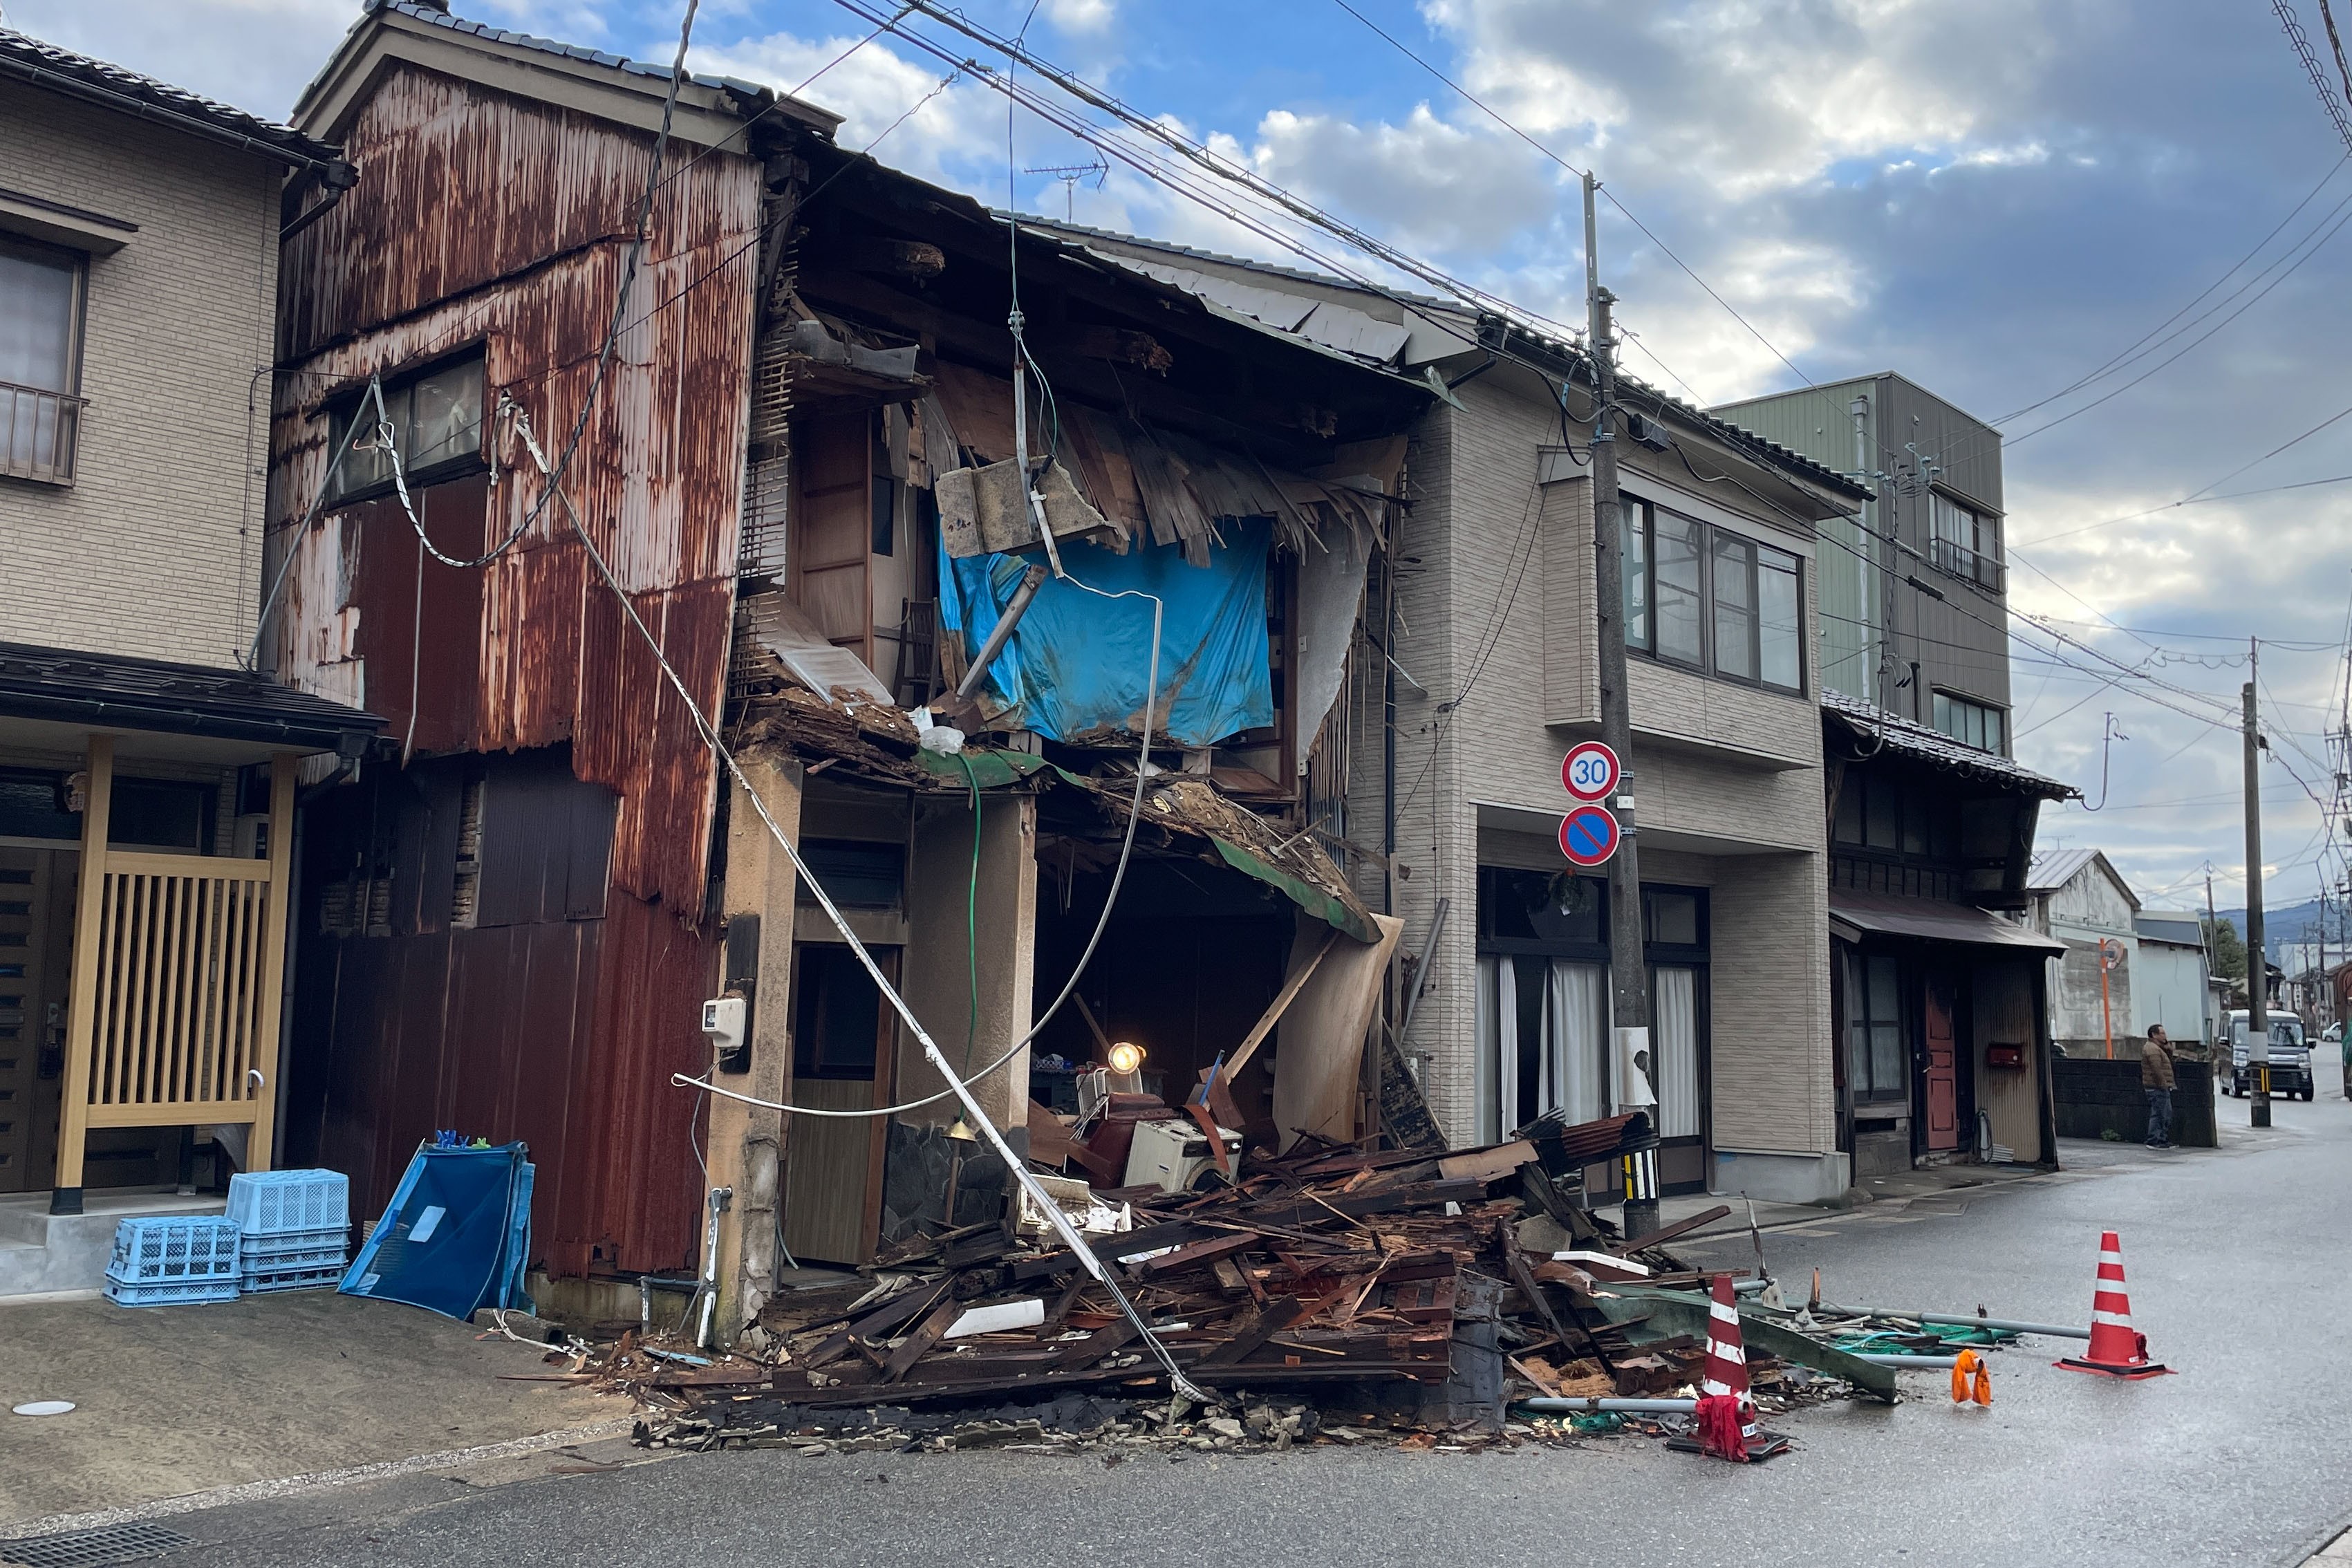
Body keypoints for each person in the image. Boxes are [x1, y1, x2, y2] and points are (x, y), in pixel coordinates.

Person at [2142, 1024, 2176, 1149]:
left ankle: (2161, 1138)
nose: (2165, 1036)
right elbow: (2156, 1069)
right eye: (2162, 1033)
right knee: (2159, 1114)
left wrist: (2168, 1049)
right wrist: (2163, 1085)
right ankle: (2154, 1140)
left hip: (2161, 1086)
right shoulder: (2152, 1049)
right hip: (2157, 1087)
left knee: (2165, 1114)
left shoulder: (2158, 1048)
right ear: (2154, 1035)